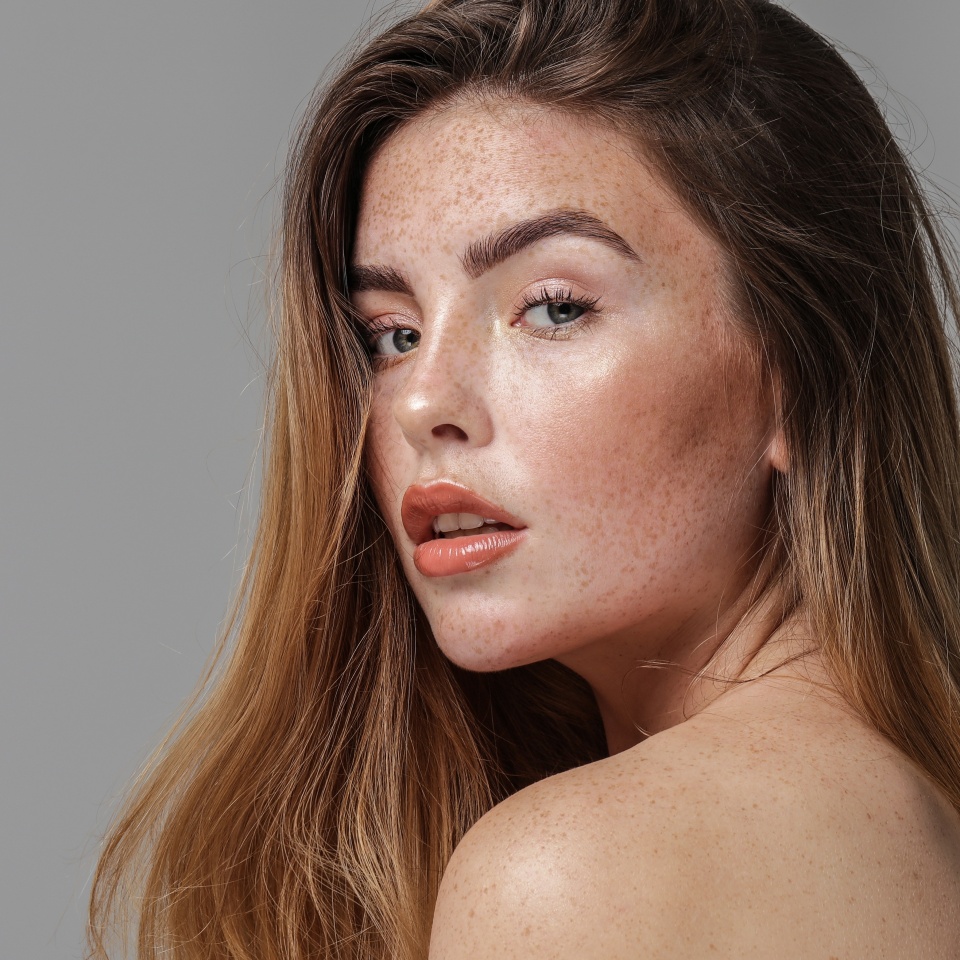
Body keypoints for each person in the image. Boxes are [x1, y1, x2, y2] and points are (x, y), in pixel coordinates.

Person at [87, 0, 960, 957]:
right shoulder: (914, 814)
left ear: (799, 374)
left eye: (551, 309)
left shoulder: (570, 872)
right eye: (394, 332)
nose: (422, 401)